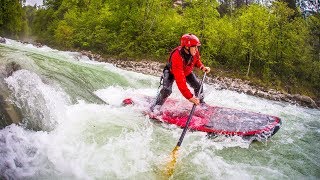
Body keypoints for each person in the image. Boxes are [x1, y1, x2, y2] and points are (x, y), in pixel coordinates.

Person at [152, 33, 210, 110]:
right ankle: (156, 106)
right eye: (194, 47)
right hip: (171, 72)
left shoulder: (194, 51)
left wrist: (202, 67)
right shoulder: (177, 56)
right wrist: (190, 97)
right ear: (187, 47)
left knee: (198, 86)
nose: (196, 49)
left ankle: (201, 102)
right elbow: (180, 81)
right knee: (167, 90)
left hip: (186, 71)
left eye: (197, 47)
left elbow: (196, 60)